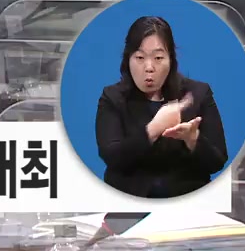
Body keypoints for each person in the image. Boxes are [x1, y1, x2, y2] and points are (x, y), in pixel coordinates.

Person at [95, 15, 227, 198]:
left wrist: (192, 139)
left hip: (187, 203)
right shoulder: (112, 97)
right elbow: (112, 157)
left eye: (158, 58)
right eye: (140, 57)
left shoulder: (198, 94)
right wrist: (153, 129)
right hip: (129, 204)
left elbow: (217, 161)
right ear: (128, 59)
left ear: (171, 59)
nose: (149, 67)